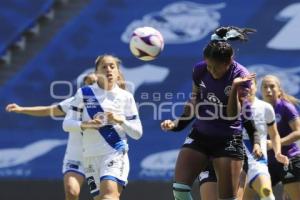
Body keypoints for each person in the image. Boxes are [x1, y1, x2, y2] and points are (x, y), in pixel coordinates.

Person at [161, 26, 256, 200]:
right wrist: (177, 124)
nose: (211, 71)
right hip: (200, 135)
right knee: (180, 190)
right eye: (209, 66)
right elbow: (195, 100)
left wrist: (235, 87)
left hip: (228, 140)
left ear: (229, 62)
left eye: (216, 68)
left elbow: (232, 115)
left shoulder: (241, 75)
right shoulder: (199, 70)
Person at [5, 73, 98, 200]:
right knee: (72, 192)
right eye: (88, 83)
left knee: (102, 197)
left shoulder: (109, 104)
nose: (91, 85)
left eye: (94, 82)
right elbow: (48, 110)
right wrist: (22, 109)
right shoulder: (74, 102)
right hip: (75, 158)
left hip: (99, 159)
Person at [62, 54, 142, 200]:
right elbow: (66, 124)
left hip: (115, 152)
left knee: (108, 197)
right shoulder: (84, 93)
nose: (108, 70)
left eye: (112, 67)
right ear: (97, 73)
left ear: (118, 72)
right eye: (104, 67)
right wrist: (86, 124)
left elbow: (137, 133)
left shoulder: (125, 96)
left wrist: (121, 120)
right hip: (90, 157)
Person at [198, 79, 289, 200]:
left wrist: (277, 152)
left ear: (256, 88)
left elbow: (274, 134)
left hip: (257, 161)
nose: (247, 88)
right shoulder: (229, 107)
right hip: (234, 161)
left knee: (268, 196)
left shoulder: (265, 108)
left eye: (250, 85)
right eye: (243, 86)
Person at [261, 75, 300, 200]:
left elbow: (298, 132)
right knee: (248, 191)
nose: (268, 90)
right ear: (260, 90)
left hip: (289, 159)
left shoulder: (286, 107)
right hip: (266, 163)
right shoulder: (257, 109)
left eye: (272, 86)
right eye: (265, 87)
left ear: (279, 90)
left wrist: (274, 144)